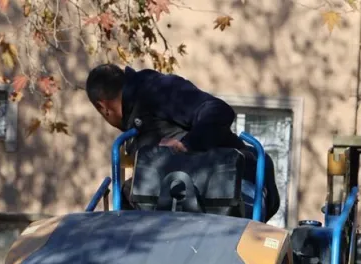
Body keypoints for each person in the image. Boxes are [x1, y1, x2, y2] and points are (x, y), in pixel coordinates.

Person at [84, 64, 280, 220]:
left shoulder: (156, 89)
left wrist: (186, 145)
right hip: (194, 197)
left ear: (103, 107)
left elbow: (218, 110)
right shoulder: (136, 127)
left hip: (238, 186)